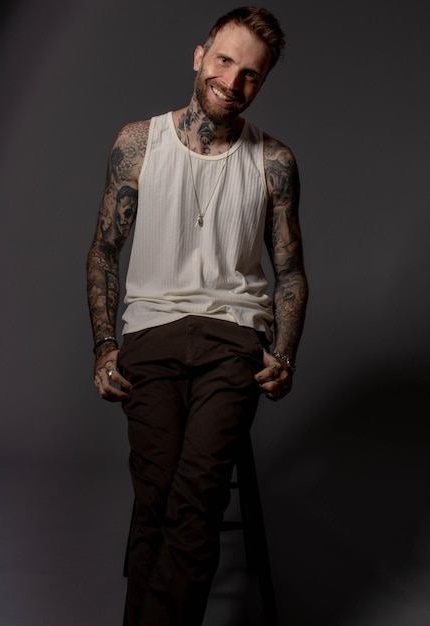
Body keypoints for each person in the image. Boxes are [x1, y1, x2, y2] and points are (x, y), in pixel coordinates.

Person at [86, 6, 308, 625]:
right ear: (199, 55)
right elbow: (105, 250)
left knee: (195, 501)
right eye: (225, 61)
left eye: (251, 76)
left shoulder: (274, 163)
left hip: (232, 342)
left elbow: (289, 271)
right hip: (149, 338)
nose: (233, 82)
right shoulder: (137, 143)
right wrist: (105, 347)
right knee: (157, 501)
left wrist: (284, 352)